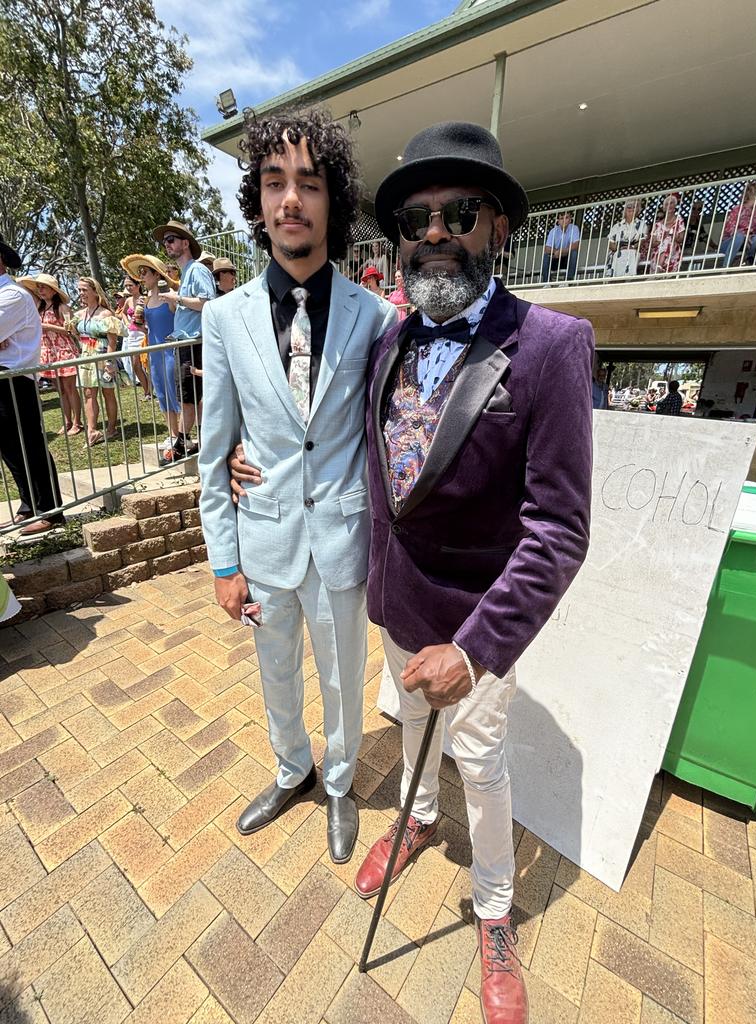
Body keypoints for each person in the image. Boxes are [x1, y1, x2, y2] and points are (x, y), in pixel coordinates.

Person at [354, 122, 593, 1024]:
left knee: (482, 767)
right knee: (412, 730)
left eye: (459, 212)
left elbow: (559, 530)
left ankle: (495, 910)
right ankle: (414, 820)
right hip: (399, 608)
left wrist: (479, 647)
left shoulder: (552, 346)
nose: (435, 232)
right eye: (416, 219)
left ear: (497, 227)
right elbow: (386, 484)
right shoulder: (389, 340)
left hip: (477, 630)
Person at [198, 110, 397, 866]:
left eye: (307, 183)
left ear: (331, 202)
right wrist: (223, 561)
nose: (290, 199)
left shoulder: (376, 315)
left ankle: (341, 784)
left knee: (345, 678)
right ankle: (293, 770)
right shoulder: (223, 319)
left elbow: (384, 436)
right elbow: (214, 453)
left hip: (343, 537)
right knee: (275, 671)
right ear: (257, 202)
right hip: (265, 537)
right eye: (275, 182)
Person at [0, 236, 65, 536]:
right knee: (10, 448)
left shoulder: (12, 295)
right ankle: (29, 505)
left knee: (29, 444)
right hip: (6, 378)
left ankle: (50, 510)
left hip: (14, 379)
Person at [152, 219, 216, 458]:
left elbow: (208, 303)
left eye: (171, 240)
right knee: (190, 397)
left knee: (188, 397)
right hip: (186, 343)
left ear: (185, 243)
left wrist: (177, 299)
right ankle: (193, 441)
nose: (166, 245)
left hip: (194, 344)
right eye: (165, 242)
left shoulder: (197, 270)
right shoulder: (186, 273)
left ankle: (181, 444)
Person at [123, 254, 181, 456]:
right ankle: (172, 432)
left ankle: (182, 434)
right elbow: (142, 327)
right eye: (140, 273)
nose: (142, 277)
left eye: (145, 272)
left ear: (157, 275)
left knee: (175, 392)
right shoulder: (145, 301)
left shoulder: (171, 295)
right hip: (153, 351)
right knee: (161, 392)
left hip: (170, 350)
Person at [72, 277, 122, 448]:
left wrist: (109, 361)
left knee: (108, 392)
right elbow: (78, 336)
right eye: (79, 290)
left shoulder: (106, 314)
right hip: (86, 355)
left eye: (84, 290)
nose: (81, 294)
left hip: (102, 355)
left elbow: (112, 341)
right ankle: (92, 430)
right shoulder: (78, 314)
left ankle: (111, 428)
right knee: (88, 393)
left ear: (95, 291)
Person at [33, 273, 82, 435]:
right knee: (60, 389)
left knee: (70, 388)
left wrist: (49, 326)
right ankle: (67, 421)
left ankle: (77, 422)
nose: (40, 290)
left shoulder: (62, 308)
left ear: (53, 290)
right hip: (47, 352)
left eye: (44, 287)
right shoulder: (38, 309)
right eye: (39, 287)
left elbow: (72, 331)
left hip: (63, 351)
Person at [119, 272, 152, 400]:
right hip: (132, 335)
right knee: (135, 365)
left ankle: (152, 390)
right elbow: (122, 313)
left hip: (143, 333)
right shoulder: (128, 300)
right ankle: (147, 391)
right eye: (126, 286)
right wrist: (127, 322)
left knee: (146, 364)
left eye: (131, 285)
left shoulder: (144, 298)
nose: (128, 288)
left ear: (138, 285)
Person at [719, 181, 756, 268]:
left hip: (749, 243)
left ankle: (750, 260)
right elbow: (729, 230)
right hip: (730, 243)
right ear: (752, 193)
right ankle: (725, 268)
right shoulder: (737, 209)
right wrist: (745, 235)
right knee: (739, 236)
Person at [607, 198, 647, 277]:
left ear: (637, 210)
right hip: (618, 252)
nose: (631, 209)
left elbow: (641, 242)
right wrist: (621, 247)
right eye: (629, 207)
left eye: (634, 207)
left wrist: (630, 246)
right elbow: (611, 244)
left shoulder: (642, 225)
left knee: (629, 254)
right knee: (617, 256)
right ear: (625, 209)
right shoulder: (617, 226)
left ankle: (626, 280)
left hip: (634, 252)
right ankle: (615, 280)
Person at [648, 193, 685, 274]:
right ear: (664, 207)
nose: (670, 205)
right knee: (666, 240)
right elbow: (652, 244)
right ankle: (659, 267)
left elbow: (681, 239)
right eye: (667, 204)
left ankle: (659, 269)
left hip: (673, 254)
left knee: (669, 240)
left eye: (672, 203)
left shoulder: (679, 220)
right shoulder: (657, 225)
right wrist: (662, 238)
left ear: (675, 205)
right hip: (657, 254)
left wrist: (674, 237)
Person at [541, 210, 580, 281]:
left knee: (574, 252)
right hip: (556, 259)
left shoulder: (574, 228)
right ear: (558, 221)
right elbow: (547, 248)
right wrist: (557, 252)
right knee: (546, 255)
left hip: (567, 259)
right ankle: (546, 282)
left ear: (570, 220)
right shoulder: (553, 231)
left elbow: (575, 245)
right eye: (562, 218)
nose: (564, 220)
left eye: (567, 218)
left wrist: (562, 251)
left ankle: (569, 280)